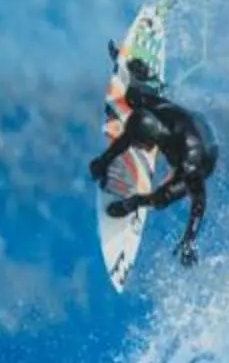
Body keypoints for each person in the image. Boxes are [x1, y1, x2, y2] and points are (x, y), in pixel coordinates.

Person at [90, 49, 219, 266]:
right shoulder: (156, 107)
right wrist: (104, 161)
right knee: (132, 97)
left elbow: (199, 202)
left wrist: (189, 239)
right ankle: (149, 77)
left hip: (205, 152)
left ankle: (133, 203)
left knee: (163, 198)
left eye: (139, 143)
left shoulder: (189, 164)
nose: (137, 146)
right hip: (184, 123)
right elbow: (128, 136)